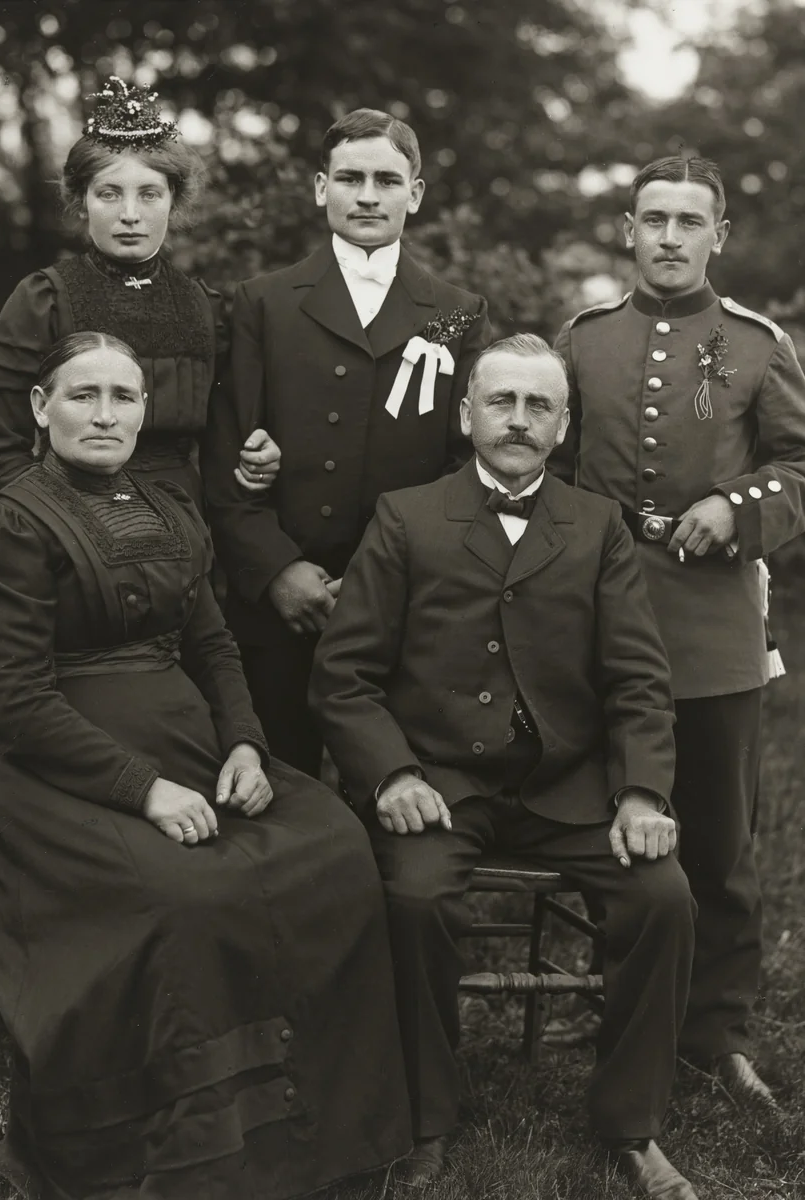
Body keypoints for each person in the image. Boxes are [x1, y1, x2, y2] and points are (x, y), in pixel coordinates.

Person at [0, 332, 411, 1200]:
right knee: (186, 894)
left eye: (123, 397)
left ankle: (322, 1125)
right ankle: (189, 1143)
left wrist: (244, 742)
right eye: (83, 395)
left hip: (194, 749)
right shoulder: (2, 526)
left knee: (334, 851)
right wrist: (143, 790)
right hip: (48, 773)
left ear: (144, 413)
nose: (105, 413)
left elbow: (213, 645)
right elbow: (14, 702)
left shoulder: (169, 508)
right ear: (40, 410)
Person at [311, 334, 699, 1199]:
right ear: (467, 414)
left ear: (562, 426)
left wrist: (640, 790)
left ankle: (630, 1122)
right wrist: (394, 775)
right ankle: (425, 1118)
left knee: (663, 896)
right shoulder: (406, 516)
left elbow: (639, 676)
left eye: (538, 406)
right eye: (501, 402)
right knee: (412, 899)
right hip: (441, 782)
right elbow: (344, 677)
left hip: (569, 786)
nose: (518, 421)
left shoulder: (596, 525)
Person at [551, 155, 805, 1101]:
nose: (670, 236)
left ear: (720, 236)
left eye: (690, 220)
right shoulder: (583, 341)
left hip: (715, 626)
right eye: (654, 218)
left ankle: (715, 1033)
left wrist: (735, 506)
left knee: (719, 842)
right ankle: (616, 1001)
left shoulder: (756, 344)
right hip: (595, 618)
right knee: (604, 827)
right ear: (627, 229)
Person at [202, 107, 492, 777]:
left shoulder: (453, 312)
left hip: (401, 596)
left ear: (414, 194)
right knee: (279, 775)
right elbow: (226, 451)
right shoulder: (263, 302)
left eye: (387, 180)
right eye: (350, 177)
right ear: (319, 187)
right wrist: (276, 570)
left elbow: (462, 458)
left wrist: (385, 580)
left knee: (391, 781)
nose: (367, 195)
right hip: (279, 596)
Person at [0, 76, 226, 510]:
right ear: (83, 200)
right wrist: (60, 525)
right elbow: (2, 447)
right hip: (71, 517)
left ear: (173, 200)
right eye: (109, 194)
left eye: (149, 194)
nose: (130, 214)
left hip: (188, 519)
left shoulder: (204, 305)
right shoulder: (44, 298)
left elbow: (228, 441)